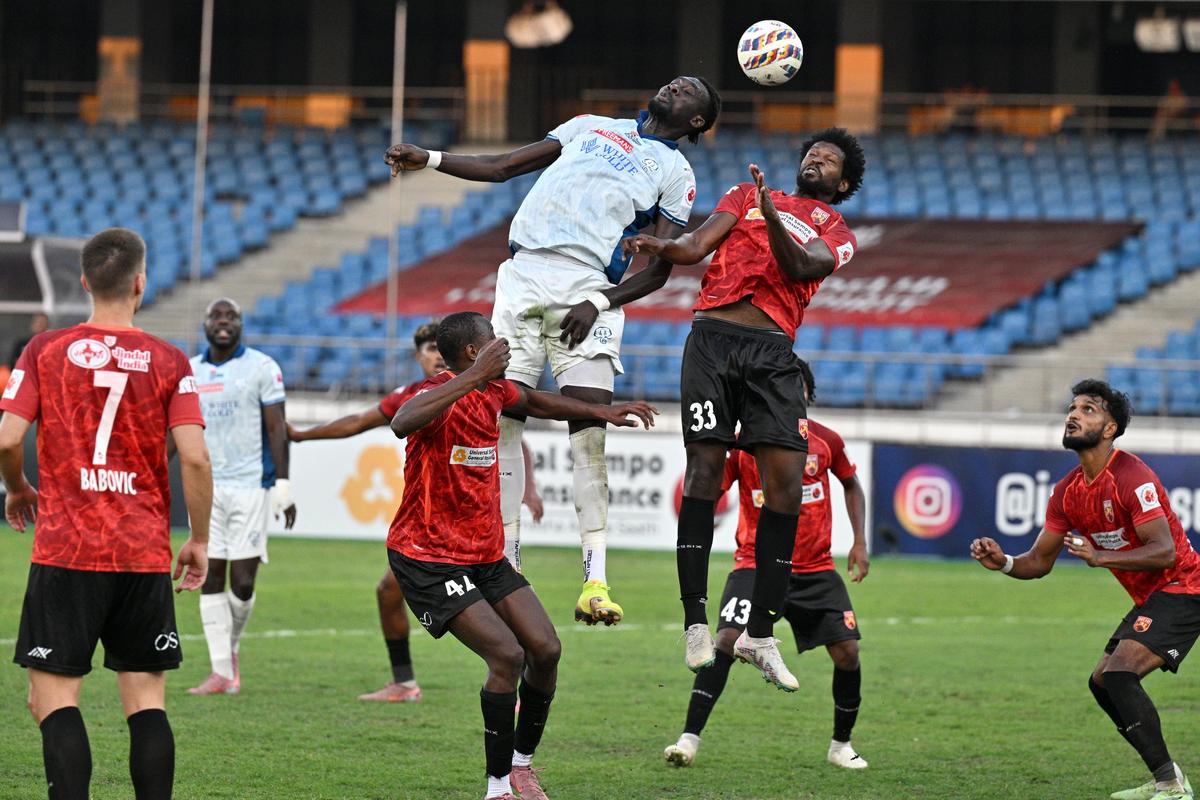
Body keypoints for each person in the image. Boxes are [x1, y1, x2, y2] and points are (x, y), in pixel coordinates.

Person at [384, 75, 721, 625]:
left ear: (697, 123)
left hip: (587, 286)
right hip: (521, 275)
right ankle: (507, 563)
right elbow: (502, 167)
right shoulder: (590, 126)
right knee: (504, 419)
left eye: (689, 93)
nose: (674, 86)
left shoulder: (676, 172)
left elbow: (662, 268)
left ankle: (595, 580)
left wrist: (601, 300)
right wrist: (431, 158)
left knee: (589, 434)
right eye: (675, 82)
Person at [622, 128, 865, 687]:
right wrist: (659, 246)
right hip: (710, 342)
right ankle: (694, 624)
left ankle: (760, 633)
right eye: (811, 154)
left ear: (843, 182)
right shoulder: (743, 194)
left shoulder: (838, 231)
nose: (816, 161)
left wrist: (770, 214)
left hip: (773, 353)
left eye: (828, 160)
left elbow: (802, 266)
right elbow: (693, 248)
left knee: (783, 489)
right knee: (704, 475)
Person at [386, 311, 657, 800]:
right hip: (429, 557)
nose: (503, 344)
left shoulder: (496, 392)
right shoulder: (438, 394)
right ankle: (496, 790)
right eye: (493, 341)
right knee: (507, 656)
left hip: (484, 555)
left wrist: (601, 412)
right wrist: (473, 377)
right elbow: (402, 422)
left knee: (546, 649)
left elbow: (534, 400)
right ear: (474, 351)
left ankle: (521, 767)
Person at [0, 227, 212, 800]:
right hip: (141, 553)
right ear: (141, 283)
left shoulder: (44, 350)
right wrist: (198, 539)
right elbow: (193, 457)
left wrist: (18, 488)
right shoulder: (170, 360)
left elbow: (6, 438)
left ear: (85, 281)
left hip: (67, 550)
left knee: (52, 700)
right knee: (146, 701)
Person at [288, 320, 544, 702]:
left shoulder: (484, 385)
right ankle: (405, 682)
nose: (436, 356)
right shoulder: (413, 397)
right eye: (427, 350)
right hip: (429, 534)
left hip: (476, 529)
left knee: (506, 613)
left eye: (438, 349)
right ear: (418, 357)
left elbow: (511, 437)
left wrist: (530, 488)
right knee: (388, 591)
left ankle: (515, 679)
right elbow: (359, 421)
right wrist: (303, 435)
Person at [971, 379, 1200, 800]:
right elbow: (1039, 562)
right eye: (1073, 407)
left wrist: (1101, 557)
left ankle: (1171, 786)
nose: (1074, 414)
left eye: (1089, 409)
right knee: (1102, 682)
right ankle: (1168, 778)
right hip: (1154, 596)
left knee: (1119, 674)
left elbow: (1165, 551)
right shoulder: (1067, 492)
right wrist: (1003, 561)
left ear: (1110, 428)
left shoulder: (1132, 477)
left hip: (1186, 587)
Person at [664, 366, 871, 770]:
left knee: (847, 652)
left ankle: (840, 746)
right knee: (724, 641)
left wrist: (860, 541)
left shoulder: (827, 441)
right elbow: (708, 493)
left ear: (807, 395)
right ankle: (688, 739)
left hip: (815, 568)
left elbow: (850, 483)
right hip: (754, 565)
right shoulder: (742, 448)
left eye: (796, 389)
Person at [185, 298, 296, 696]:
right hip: (206, 488)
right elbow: (179, 433)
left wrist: (283, 484)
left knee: (244, 582)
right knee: (210, 574)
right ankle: (220, 672)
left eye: (231, 316)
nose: (224, 322)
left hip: (251, 485)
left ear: (241, 324)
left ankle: (229, 648)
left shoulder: (262, 368)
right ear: (206, 323)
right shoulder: (191, 372)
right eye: (217, 316)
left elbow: (277, 429)